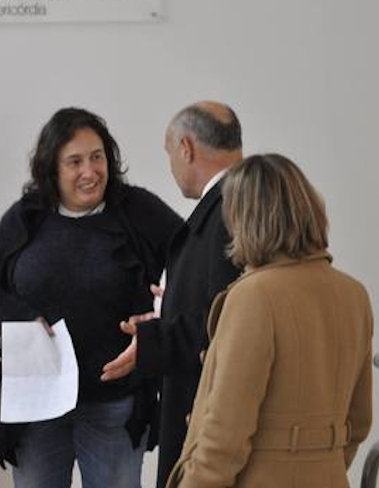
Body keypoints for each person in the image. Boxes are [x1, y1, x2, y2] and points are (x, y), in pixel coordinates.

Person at [0, 107, 181, 488]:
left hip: (114, 403)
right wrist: (23, 318)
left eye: (97, 157)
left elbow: (191, 267)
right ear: (52, 168)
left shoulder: (138, 210)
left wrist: (161, 313)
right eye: (75, 161)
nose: (90, 171)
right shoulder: (25, 218)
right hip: (36, 404)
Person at [167, 154, 373, 487]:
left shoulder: (254, 296)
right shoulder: (353, 294)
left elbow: (225, 435)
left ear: (244, 218)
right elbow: (359, 421)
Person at [101, 101, 243, 488]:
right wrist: (170, 306)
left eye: (169, 152)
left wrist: (153, 339)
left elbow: (233, 322)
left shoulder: (229, 211)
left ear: (186, 147)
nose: (171, 163)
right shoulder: (238, 203)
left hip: (210, 419)